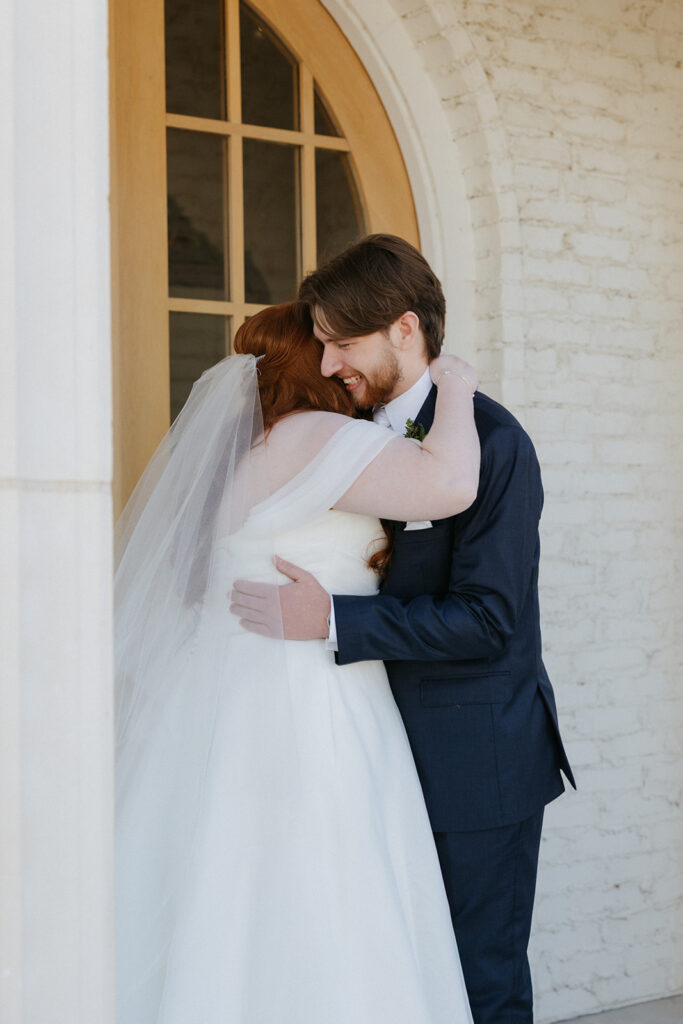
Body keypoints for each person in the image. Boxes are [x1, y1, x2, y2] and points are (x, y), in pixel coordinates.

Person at [232, 235, 576, 1024]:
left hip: (471, 760)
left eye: (341, 344)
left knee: (475, 981)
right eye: (318, 347)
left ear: (404, 329)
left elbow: (489, 620)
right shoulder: (337, 432)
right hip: (363, 757)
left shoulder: (491, 443)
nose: (326, 366)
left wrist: (332, 620)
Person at [114, 301, 481, 1023]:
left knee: (219, 887)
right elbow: (448, 486)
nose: (337, 364)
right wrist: (458, 388)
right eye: (327, 350)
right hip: (311, 695)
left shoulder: (235, 456)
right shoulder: (314, 435)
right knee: (322, 889)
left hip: (218, 692)